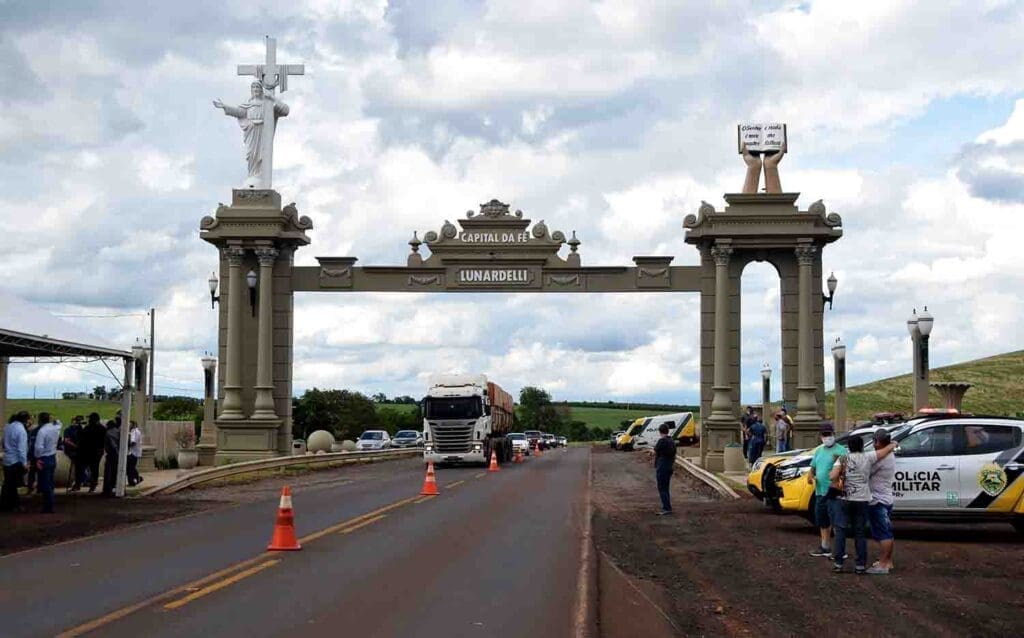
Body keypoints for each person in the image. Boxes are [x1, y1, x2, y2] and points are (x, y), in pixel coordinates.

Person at [830, 434, 898, 574]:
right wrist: (892, 445)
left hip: (845, 498)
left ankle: (838, 563)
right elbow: (883, 452)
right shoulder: (868, 457)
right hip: (862, 498)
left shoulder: (842, 458)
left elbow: (832, 476)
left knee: (841, 530)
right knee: (860, 532)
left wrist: (841, 473)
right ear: (862, 446)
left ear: (848, 446)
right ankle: (860, 565)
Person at [807, 423, 848, 558]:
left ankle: (840, 550)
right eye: (824, 435)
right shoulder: (819, 450)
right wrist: (810, 475)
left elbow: (845, 471)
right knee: (822, 520)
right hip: (820, 492)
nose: (827, 437)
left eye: (829, 434)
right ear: (821, 436)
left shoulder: (841, 451)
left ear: (833, 434)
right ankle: (825, 547)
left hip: (834, 492)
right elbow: (813, 466)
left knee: (837, 522)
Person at [867, 429, 897, 575]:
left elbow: (866, 470)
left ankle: (883, 565)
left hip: (878, 500)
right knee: (886, 532)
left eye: (874, 441)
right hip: (885, 498)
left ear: (877, 442)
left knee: (883, 533)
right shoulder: (889, 454)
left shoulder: (881, 459)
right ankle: (887, 561)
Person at [1, 411, 31, 511]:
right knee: (13, 485)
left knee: (8, 484)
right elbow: (21, 449)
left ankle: (6, 504)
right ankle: (14, 505)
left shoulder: (7, 427)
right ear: (26, 420)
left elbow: (3, 442)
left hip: (7, 459)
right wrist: (24, 463)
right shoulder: (21, 430)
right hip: (15, 460)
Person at [34, 412, 61, 514]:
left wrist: (37, 458)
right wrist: (55, 419)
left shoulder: (42, 431)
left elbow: (38, 447)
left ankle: (48, 506)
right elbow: (59, 423)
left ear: (40, 420)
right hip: (52, 456)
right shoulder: (56, 428)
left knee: (45, 483)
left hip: (44, 457)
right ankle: (50, 503)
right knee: (50, 482)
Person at [654, 423, 677, 515]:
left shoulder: (662, 441)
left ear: (660, 431)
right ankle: (667, 506)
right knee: (666, 487)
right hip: (669, 466)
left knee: (662, 488)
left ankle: (667, 508)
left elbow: (656, 450)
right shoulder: (672, 441)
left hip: (662, 466)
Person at [81, 413, 106, 492]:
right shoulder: (102, 428)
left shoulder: (88, 427)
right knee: (94, 468)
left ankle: (90, 483)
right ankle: (93, 484)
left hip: (89, 450)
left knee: (89, 467)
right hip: (97, 451)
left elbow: (82, 438)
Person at [63, 415, 86, 491]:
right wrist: (76, 446)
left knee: (81, 466)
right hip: (72, 451)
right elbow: (67, 441)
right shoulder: (68, 430)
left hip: (80, 451)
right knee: (79, 466)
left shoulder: (82, 430)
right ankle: (80, 481)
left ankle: (82, 481)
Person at [101, 417, 121, 497]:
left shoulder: (108, 433)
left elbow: (112, 445)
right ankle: (115, 487)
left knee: (109, 472)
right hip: (119, 454)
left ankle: (107, 489)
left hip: (112, 454)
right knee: (115, 472)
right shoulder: (118, 431)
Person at [127, 420, 143, 486]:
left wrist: (126, 445)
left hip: (132, 452)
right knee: (131, 467)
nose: (129, 426)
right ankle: (137, 479)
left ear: (134, 425)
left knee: (129, 468)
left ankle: (134, 480)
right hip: (135, 453)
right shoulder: (138, 431)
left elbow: (133, 442)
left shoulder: (134, 431)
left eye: (130, 424)